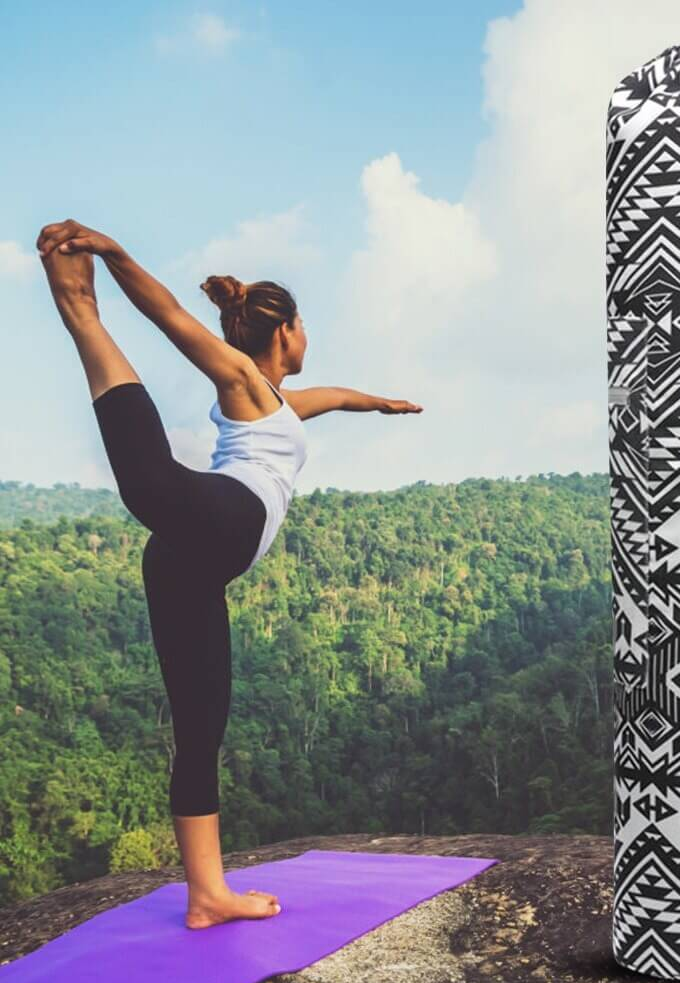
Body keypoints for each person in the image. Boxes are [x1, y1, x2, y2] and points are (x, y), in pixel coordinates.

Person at [36, 219, 422, 929]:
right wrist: (118, 254)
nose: (309, 340)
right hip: (224, 518)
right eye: (304, 327)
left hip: (194, 560)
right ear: (286, 332)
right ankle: (81, 311)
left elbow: (329, 397)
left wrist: (381, 403)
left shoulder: (274, 403)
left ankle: (207, 892)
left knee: (201, 723)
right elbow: (171, 319)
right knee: (151, 482)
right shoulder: (243, 381)